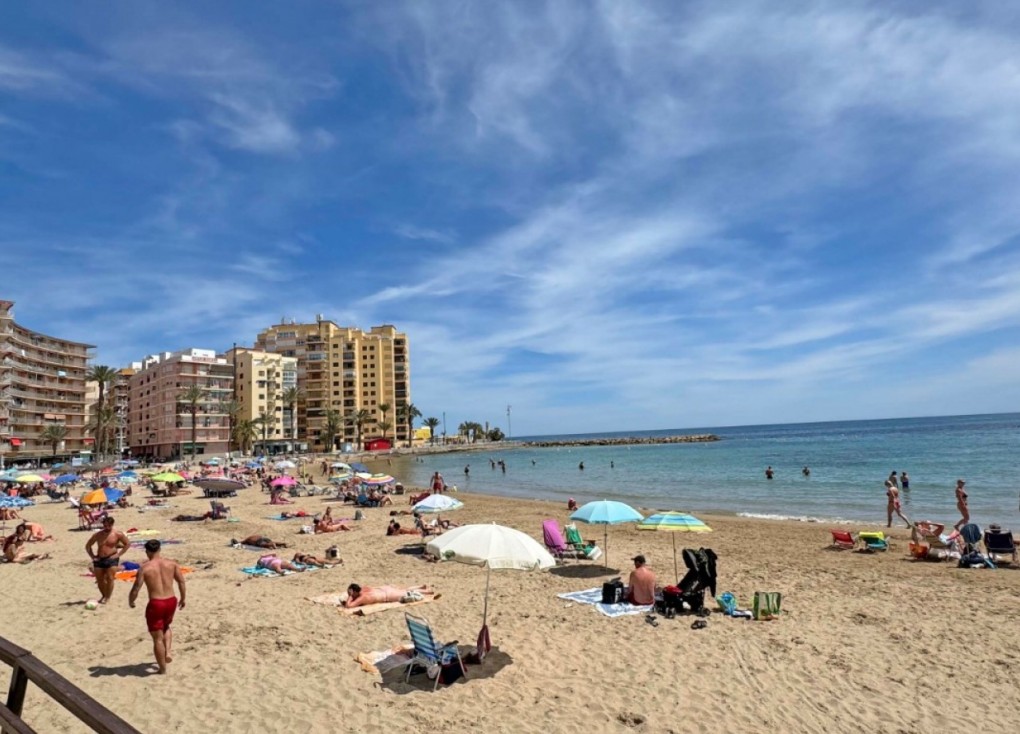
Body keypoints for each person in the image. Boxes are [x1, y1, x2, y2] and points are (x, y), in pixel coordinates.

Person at [128, 539, 186, 675]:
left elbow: (136, 588)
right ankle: (168, 651)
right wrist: (183, 598)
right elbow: (181, 582)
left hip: (156, 603)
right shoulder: (172, 564)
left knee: (157, 638)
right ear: (159, 550)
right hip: (171, 600)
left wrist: (131, 600)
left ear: (147, 551)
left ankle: (162, 669)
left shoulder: (145, 568)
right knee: (166, 627)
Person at [86, 516, 129, 604]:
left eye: (108, 526)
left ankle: (108, 597)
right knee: (99, 579)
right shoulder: (97, 535)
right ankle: (104, 595)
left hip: (111, 558)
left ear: (112, 525)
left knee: (110, 578)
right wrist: (93, 556)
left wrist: (118, 554)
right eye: (105, 526)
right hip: (99, 558)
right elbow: (88, 546)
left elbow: (127, 544)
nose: (106, 528)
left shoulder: (118, 534)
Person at [344, 583, 435, 608]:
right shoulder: (364, 588)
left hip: (387, 595)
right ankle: (421, 586)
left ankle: (427, 592)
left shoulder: (362, 597)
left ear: (355, 592)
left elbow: (349, 606)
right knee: (405, 590)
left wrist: (350, 596)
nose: (351, 596)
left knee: (407, 593)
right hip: (384, 589)